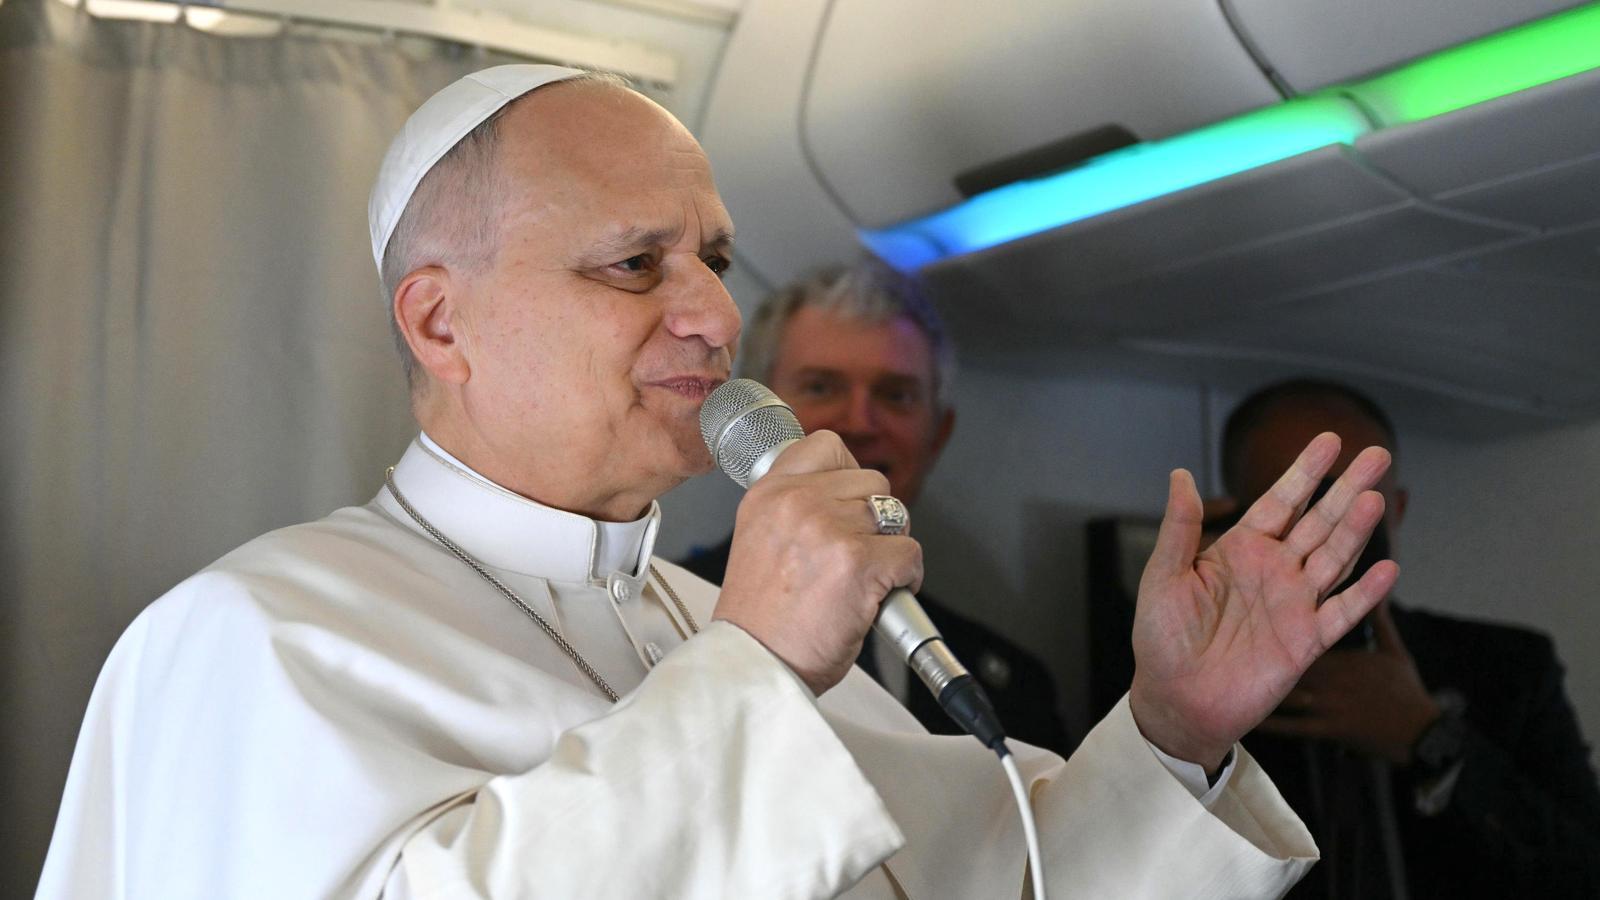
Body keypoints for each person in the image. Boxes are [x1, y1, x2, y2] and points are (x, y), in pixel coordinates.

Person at [37, 65, 1399, 899]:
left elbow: (1015, 881)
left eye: (715, 260)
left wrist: (1171, 728)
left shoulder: (712, 626)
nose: (711, 316)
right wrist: (754, 668)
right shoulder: (251, 638)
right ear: (442, 323)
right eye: (636, 264)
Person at [1217, 378, 1600, 899]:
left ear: (1394, 511)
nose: (1329, 533)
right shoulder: (1193, 687)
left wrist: (1428, 738)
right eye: (1296, 505)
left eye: (1357, 507)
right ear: (1236, 518)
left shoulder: (1508, 669)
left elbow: (1582, 872)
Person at [679, 261, 1070, 753]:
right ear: (756, 410)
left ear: (938, 435)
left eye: (896, 395)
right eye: (821, 386)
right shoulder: (670, 619)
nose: (860, 423)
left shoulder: (1010, 688)